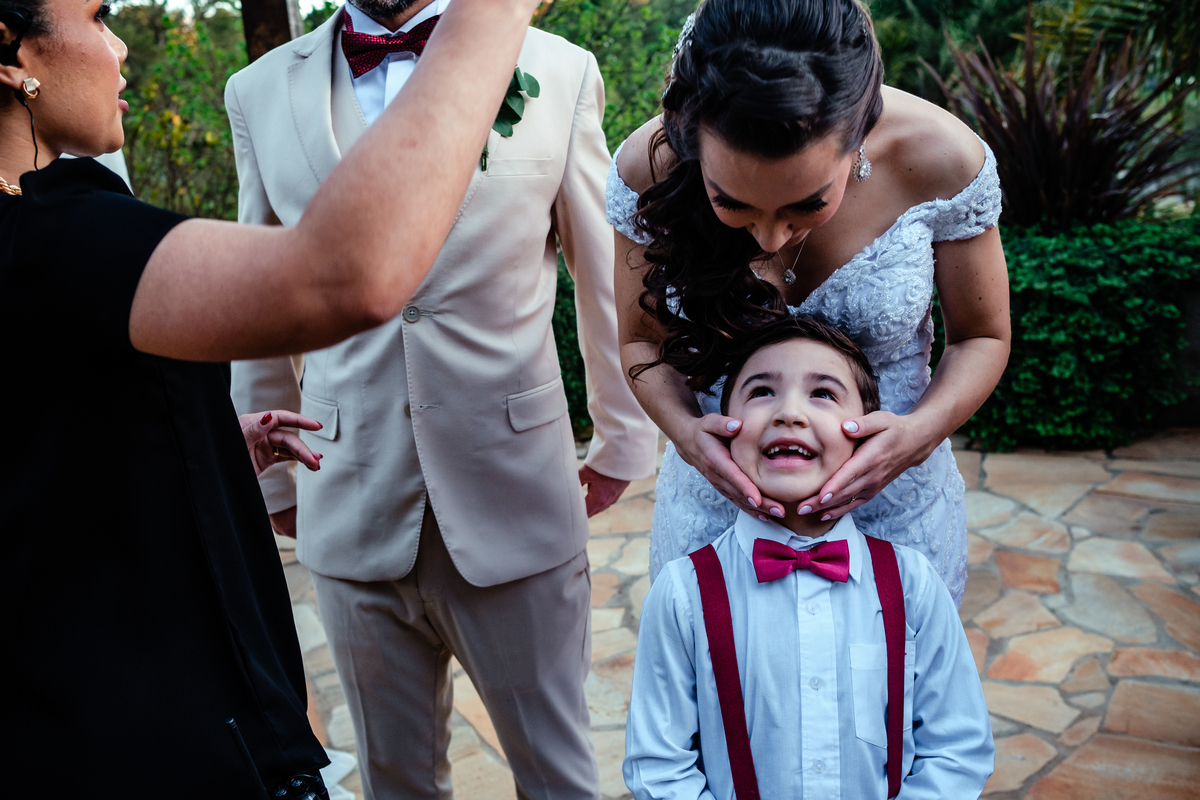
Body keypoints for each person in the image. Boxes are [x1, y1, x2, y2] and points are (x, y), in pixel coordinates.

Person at [0, 0, 542, 795]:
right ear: (11, 57)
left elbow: (43, 442)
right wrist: (491, 16)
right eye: (97, 14)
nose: (119, 47)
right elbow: (344, 275)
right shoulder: (54, 236)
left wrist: (191, 436)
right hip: (157, 742)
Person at [224, 0, 659, 796]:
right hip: (348, 491)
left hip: (516, 487)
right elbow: (262, 290)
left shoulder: (557, 69)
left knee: (557, 775)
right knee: (397, 780)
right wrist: (274, 478)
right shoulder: (256, 92)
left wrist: (622, 436)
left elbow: (606, 279)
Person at [609, 0, 1010, 604]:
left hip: (893, 510)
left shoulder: (941, 158)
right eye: (732, 203)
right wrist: (689, 435)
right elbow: (641, 340)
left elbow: (983, 335)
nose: (770, 238)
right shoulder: (650, 168)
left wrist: (918, 434)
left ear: (859, 140)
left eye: (807, 203)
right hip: (717, 514)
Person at [623, 316, 994, 798]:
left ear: (868, 436)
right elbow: (659, 766)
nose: (789, 413)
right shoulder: (683, 595)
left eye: (822, 393)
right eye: (760, 392)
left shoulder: (914, 585)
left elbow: (957, 748)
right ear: (721, 432)